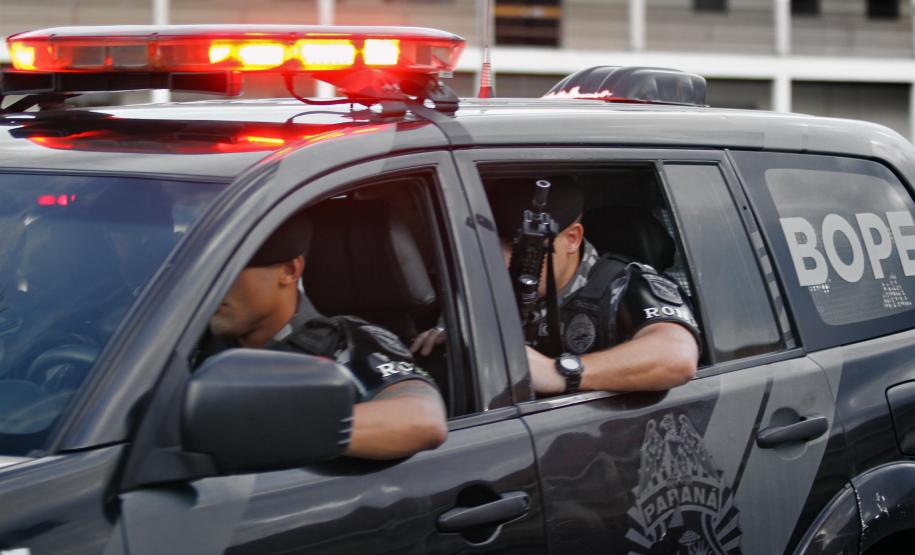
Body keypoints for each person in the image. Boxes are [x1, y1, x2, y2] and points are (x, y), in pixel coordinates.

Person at [412, 180, 699, 396]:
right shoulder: (489, 283)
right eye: (489, 248)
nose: (500, 262)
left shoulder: (624, 284)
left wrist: (560, 372)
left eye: (518, 248)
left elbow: (676, 356)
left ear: (572, 238)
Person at [199, 211, 448, 460]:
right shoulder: (186, 338)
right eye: (205, 269)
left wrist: (261, 427)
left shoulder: (345, 342)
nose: (212, 283)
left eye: (229, 270)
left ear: (289, 270)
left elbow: (422, 419)